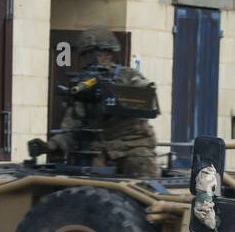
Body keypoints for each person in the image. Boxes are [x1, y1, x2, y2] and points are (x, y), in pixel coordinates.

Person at [49, 29, 160, 177]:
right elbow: (71, 127)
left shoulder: (128, 76)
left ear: (109, 55)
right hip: (98, 150)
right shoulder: (82, 86)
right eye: (86, 55)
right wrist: (52, 145)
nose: (92, 59)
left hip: (133, 145)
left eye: (98, 54)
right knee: (87, 177)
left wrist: (125, 91)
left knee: (141, 168)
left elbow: (144, 88)